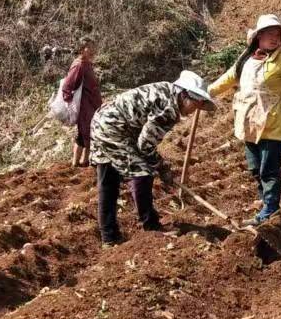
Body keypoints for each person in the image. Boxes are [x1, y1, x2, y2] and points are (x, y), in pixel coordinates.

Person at [89, 71, 216, 245]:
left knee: (108, 180)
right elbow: (145, 146)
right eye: (195, 105)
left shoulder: (168, 91)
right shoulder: (169, 109)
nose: (194, 110)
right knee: (142, 172)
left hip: (102, 120)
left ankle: (109, 237)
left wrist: (161, 167)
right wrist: (162, 168)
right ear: (185, 95)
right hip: (114, 129)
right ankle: (151, 226)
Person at [208, 15, 281, 225]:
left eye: (277, 34)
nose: (274, 38)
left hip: (272, 123)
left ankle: (271, 207)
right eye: (270, 33)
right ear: (259, 36)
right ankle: (265, 201)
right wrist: (208, 91)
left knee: (269, 169)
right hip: (248, 121)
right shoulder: (246, 59)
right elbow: (229, 77)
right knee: (255, 168)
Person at [60, 38, 103, 167]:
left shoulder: (87, 64)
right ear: (81, 49)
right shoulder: (79, 65)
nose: (92, 50)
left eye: (93, 47)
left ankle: (79, 163)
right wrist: (70, 104)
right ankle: (81, 163)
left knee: (84, 134)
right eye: (88, 47)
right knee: (88, 133)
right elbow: (67, 86)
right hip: (85, 108)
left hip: (92, 106)